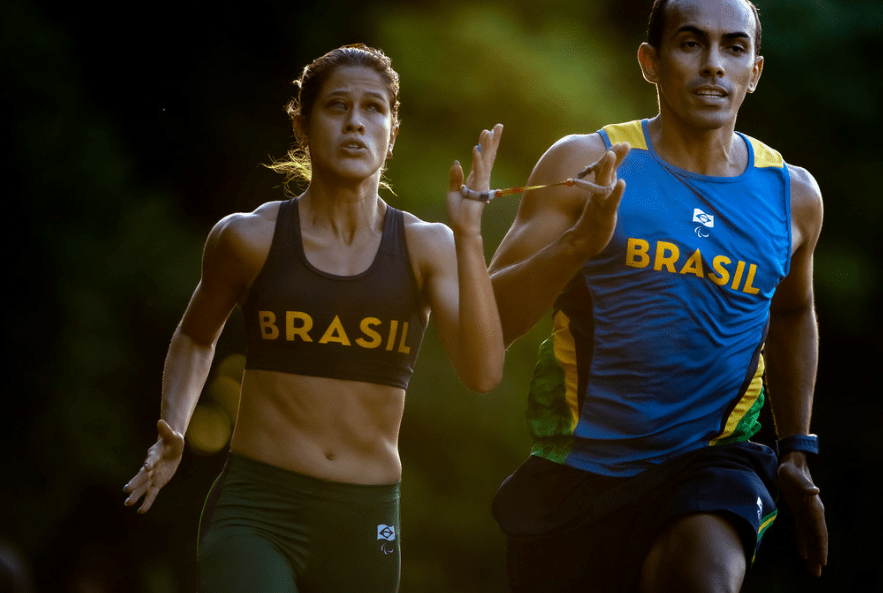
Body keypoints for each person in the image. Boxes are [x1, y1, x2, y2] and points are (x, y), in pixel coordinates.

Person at [122, 43, 505, 592]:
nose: (356, 123)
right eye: (336, 107)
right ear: (302, 127)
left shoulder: (428, 247)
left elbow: (483, 373)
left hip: (365, 520)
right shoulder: (247, 238)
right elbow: (194, 337)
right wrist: (174, 428)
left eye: (374, 108)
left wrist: (469, 237)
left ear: (392, 131)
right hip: (257, 511)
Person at [487, 1, 827, 591]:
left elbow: (795, 311)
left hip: (713, 460)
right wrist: (575, 246)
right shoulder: (588, 163)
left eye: (734, 48)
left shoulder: (791, 195)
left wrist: (795, 447)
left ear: (756, 70)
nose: (714, 66)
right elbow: (485, 325)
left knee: (703, 574)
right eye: (691, 44)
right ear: (650, 61)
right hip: (580, 468)